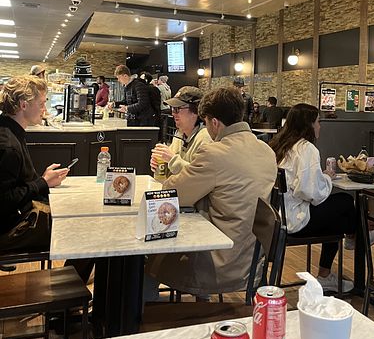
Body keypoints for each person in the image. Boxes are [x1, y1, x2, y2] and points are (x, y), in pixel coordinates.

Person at [144, 87, 277, 298]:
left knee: (144, 259)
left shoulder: (216, 152)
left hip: (216, 261)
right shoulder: (267, 151)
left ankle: (142, 323)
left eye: (206, 122)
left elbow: (172, 192)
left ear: (215, 122)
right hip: (252, 262)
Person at [270, 103, 359, 293]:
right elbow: (310, 192)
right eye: (318, 122)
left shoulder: (279, 145)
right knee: (344, 201)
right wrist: (327, 177)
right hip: (297, 222)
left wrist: (321, 178)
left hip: (278, 218)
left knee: (337, 217)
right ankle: (354, 237)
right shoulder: (306, 148)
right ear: (309, 124)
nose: (320, 126)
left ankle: (328, 273)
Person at [0, 75, 68, 253]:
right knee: (78, 228)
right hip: (9, 231)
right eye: (41, 104)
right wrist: (42, 183)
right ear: (23, 105)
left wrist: (43, 180)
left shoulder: (9, 131)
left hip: (14, 219)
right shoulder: (9, 146)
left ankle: (73, 277)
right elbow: (3, 201)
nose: (45, 110)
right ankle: (74, 278)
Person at [150, 86, 211, 176]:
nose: (173, 113)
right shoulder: (179, 134)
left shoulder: (205, 138)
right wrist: (160, 164)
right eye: (172, 108)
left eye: (177, 109)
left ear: (196, 111)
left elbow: (201, 177)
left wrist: (172, 160)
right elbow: (172, 169)